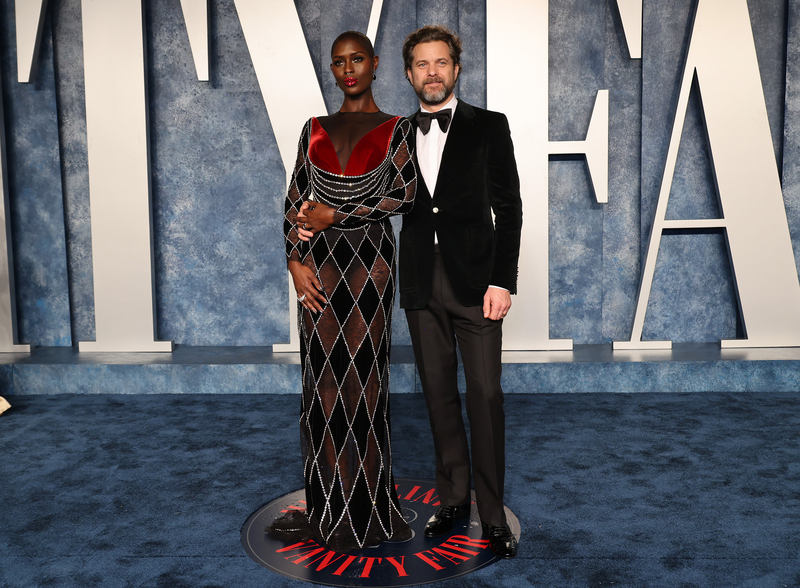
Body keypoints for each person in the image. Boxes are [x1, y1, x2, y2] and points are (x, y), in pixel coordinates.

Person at [270, 31, 416, 553]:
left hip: (371, 264)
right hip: (322, 267)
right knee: (322, 380)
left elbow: (404, 196)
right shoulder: (313, 129)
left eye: (357, 59)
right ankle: (327, 503)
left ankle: (370, 504)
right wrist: (293, 260)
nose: (348, 69)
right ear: (331, 70)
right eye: (339, 62)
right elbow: (294, 202)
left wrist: (340, 214)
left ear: (375, 64)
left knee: (365, 377)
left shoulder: (399, 128)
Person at [398, 25, 522, 558]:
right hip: (421, 282)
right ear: (409, 74)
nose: (432, 72)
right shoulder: (396, 134)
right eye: (422, 64)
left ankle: (492, 516)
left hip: (477, 282)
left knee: (486, 395)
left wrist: (502, 279)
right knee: (437, 393)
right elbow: (376, 200)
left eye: (441, 62)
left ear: (457, 68)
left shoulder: (489, 126)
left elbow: (509, 206)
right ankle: (453, 500)